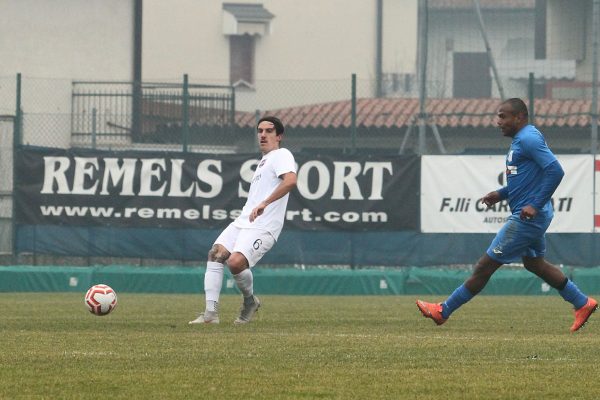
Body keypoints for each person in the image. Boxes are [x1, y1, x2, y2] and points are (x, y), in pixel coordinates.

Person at [416, 98, 597, 332]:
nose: (498, 121)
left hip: (528, 218)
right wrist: (501, 194)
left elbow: (555, 170)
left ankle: (443, 311)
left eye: (503, 116)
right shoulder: (523, 139)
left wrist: (535, 204)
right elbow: (528, 179)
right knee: (535, 263)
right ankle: (582, 302)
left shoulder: (528, 139)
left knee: (484, 266)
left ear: (520, 117)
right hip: (532, 215)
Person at [189, 116, 297, 324]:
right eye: (260, 131)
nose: (263, 135)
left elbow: (291, 181)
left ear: (279, 136)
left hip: (264, 225)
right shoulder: (264, 161)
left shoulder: (281, 154)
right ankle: (210, 315)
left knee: (235, 262)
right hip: (245, 221)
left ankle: (250, 302)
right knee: (215, 254)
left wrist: (265, 203)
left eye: (269, 131)